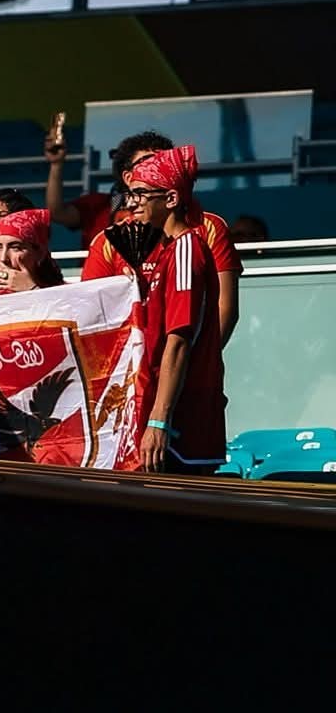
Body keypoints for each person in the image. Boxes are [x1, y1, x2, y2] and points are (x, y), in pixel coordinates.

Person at [96, 146, 226, 475]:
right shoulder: (169, 251)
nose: (131, 203)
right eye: (130, 194)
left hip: (179, 421)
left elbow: (179, 341)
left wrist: (158, 420)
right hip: (165, 414)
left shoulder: (186, 248)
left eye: (141, 194)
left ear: (170, 199)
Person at [80, 134, 241, 348]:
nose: (156, 167)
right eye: (147, 163)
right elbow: (91, 317)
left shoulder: (209, 228)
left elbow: (225, 308)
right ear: (129, 178)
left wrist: (195, 360)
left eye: (163, 161)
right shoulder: (107, 241)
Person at [50, 129, 171, 244]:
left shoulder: (173, 208)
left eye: (153, 164)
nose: (146, 172)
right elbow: (57, 213)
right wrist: (56, 164)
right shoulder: (99, 205)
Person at [0, 208, 64, 295]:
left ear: (40, 253)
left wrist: (31, 288)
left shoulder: (64, 294)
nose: (3, 259)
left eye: (15, 248)